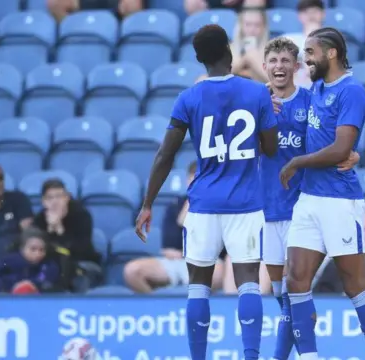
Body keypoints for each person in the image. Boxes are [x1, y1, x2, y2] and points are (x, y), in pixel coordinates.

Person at [134, 24, 279, 360]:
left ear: (200, 60)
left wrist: (147, 204)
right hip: (245, 202)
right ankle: (251, 356)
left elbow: (165, 155)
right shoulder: (257, 93)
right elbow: (270, 149)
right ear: (229, 51)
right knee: (247, 283)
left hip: (204, 203)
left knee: (198, 287)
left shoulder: (189, 97)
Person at [278, 28, 365, 359]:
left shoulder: (351, 91)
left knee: (354, 285)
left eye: (310, 52)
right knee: (295, 280)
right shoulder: (316, 88)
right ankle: (309, 356)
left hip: (340, 201)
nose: (305, 59)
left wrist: (299, 161)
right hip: (309, 199)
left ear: (331, 54)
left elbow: (342, 146)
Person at [260, 36, 360, 360]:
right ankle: (303, 325)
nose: (279, 67)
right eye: (273, 61)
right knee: (280, 296)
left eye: (286, 61)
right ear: (264, 67)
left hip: (301, 207)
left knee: (293, 293)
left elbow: (335, 138)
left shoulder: (310, 101)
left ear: (297, 66)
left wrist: (354, 154)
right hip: (266, 209)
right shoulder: (255, 103)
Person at [124, 162, 226, 293]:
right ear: (188, 180)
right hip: (176, 263)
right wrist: (191, 202)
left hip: (210, 264)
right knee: (132, 271)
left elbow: (217, 247)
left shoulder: (222, 207)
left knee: (217, 271)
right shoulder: (175, 206)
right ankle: (158, 308)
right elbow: (169, 247)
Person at [33, 179, 101, 292]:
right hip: (52, 266)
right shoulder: (40, 219)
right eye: (50, 198)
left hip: (82, 263)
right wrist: (50, 230)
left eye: (59, 196)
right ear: (43, 201)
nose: (55, 201)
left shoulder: (81, 215)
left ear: (67, 197)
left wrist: (60, 230)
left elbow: (83, 250)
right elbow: (37, 250)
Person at [0, 227, 60, 294]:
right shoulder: (7, 262)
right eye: (33, 249)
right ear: (22, 248)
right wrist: (3, 288)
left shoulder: (48, 265)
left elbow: (45, 281)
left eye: (42, 250)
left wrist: (29, 285)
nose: (38, 254)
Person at [231, 8, 270, 82]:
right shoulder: (230, 48)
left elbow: (279, 82)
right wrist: (243, 61)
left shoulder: (273, 51)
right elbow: (220, 77)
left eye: (257, 25)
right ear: (241, 26)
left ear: (264, 27)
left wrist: (254, 60)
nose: (252, 30)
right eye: (248, 24)